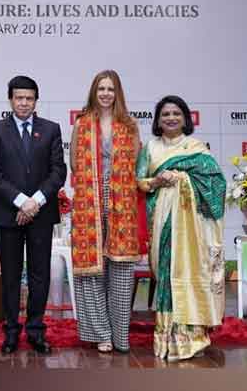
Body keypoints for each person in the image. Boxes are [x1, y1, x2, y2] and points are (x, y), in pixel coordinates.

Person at [136, 95, 226, 361]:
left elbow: (217, 185)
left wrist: (182, 178)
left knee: (190, 271)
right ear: (158, 120)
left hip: (192, 229)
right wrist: (157, 181)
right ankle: (167, 338)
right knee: (166, 274)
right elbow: (139, 182)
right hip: (162, 222)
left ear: (185, 118)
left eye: (176, 113)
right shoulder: (150, 148)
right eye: (165, 114)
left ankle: (192, 337)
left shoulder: (196, 148)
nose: (171, 118)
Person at [0, 75, 67, 354]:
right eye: (19, 97)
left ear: (35, 101)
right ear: (10, 99)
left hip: (41, 214)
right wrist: (21, 202)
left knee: (40, 275)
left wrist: (36, 202)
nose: (23, 103)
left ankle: (36, 330)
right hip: (8, 214)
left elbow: (58, 171)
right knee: (10, 275)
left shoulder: (51, 129)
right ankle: (10, 331)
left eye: (29, 98)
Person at [69, 70, 141, 354]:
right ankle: (102, 333)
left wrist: (117, 185)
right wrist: (94, 186)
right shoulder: (83, 123)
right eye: (101, 89)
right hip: (91, 198)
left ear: (118, 93)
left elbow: (137, 161)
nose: (106, 94)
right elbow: (75, 162)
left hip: (122, 198)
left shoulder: (129, 124)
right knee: (91, 269)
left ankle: (120, 335)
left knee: (121, 268)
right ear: (93, 92)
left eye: (111, 89)